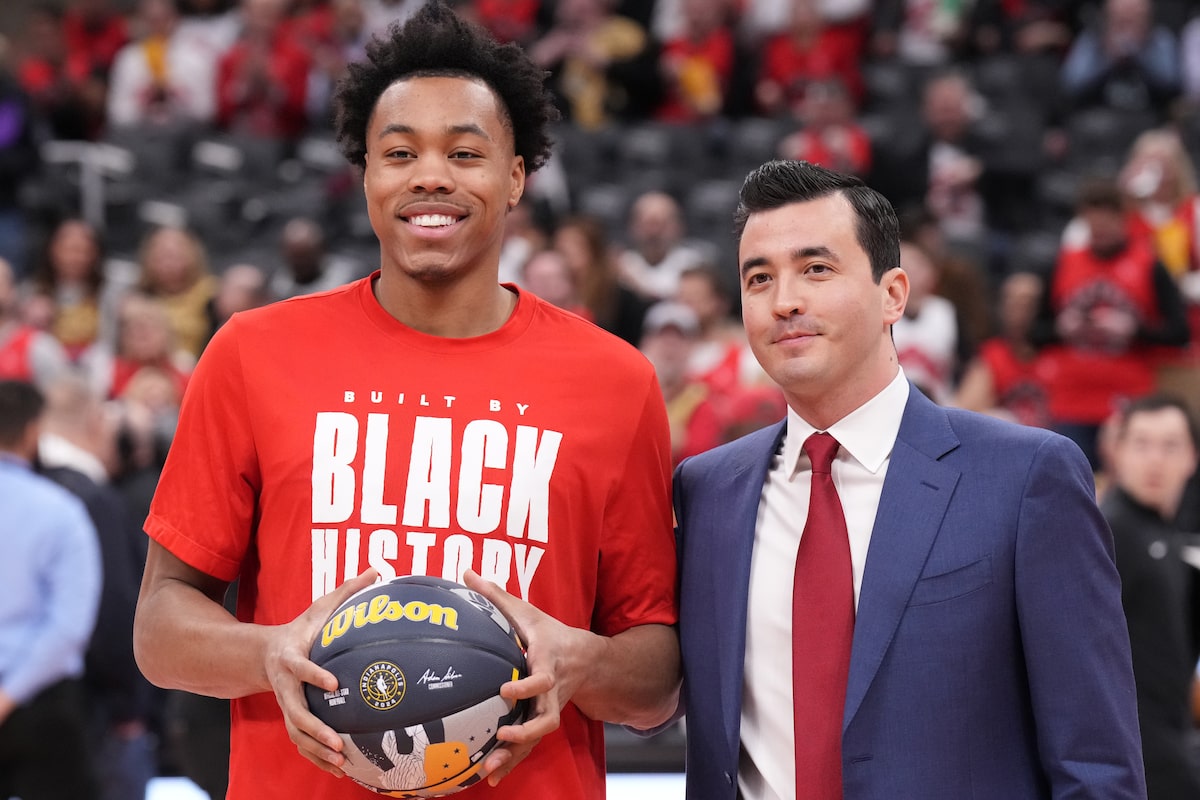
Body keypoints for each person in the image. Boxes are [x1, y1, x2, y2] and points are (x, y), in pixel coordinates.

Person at [132, 5, 680, 800]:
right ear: (366, 177)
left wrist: (581, 662)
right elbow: (158, 630)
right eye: (399, 153)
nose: (431, 176)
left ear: (517, 176)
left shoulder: (616, 381)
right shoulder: (252, 353)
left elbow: (656, 678)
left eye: (465, 152)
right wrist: (268, 654)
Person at [664, 160, 1146, 798]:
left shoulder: (1028, 477)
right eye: (759, 278)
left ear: (893, 294)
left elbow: (1096, 766)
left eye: (816, 269)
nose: (785, 301)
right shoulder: (705, 490)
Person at [37, 372, 157, 800]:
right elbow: (113, 610)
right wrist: (129, 707)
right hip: (93, 715)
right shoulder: (90, 498)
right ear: (94, 421)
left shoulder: (21, 490)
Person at [0, 378, 103, 800]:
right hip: (42, 708)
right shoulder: (61, 510)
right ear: (32, 432)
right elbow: (68, 628)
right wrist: (8, 697)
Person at [1102, 395, 1200, 798]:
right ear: (1116, 452)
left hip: (1168, 744)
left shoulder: (1169, 537)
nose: (1155, 460)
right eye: (1142, 444)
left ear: (1192, 457)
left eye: (1170, 446)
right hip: (1135, 758)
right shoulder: (1106, 533)